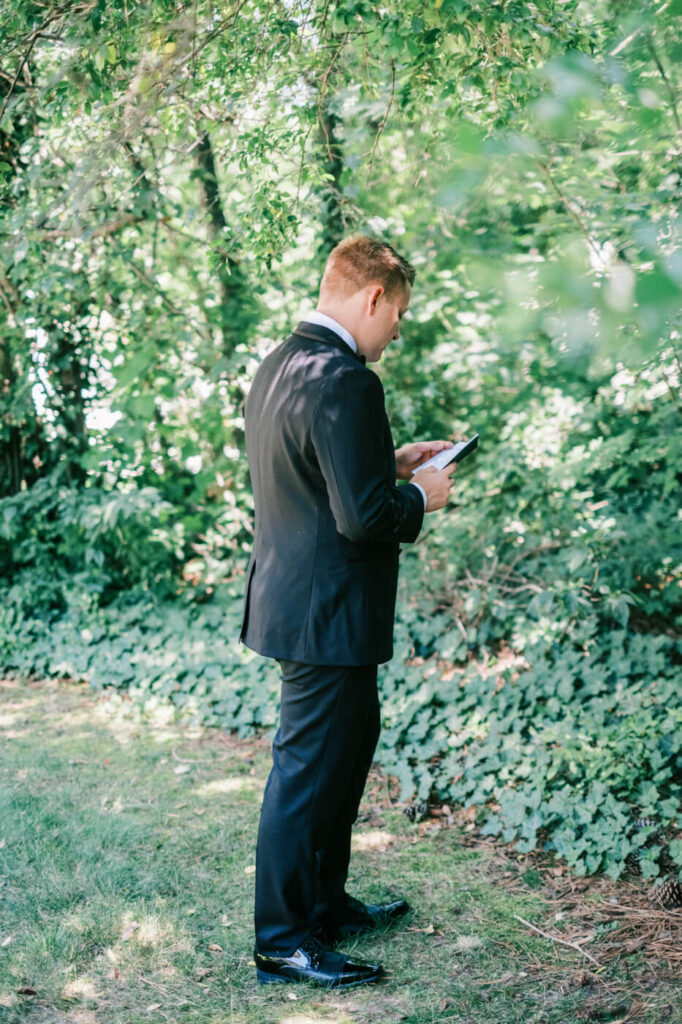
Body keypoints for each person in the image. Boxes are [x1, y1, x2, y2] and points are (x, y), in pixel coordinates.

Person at [239, 235, 457, 988]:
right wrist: (419, 495)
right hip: (326, 614)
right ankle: (283, 940)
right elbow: (364, 518)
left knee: (341, 759)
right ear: (371, 298)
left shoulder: (280, 366)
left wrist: (387, 462)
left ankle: (325, 903)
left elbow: (312, 471)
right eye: (397, 313)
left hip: (303, 606)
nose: (398, 330)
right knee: (306, 775)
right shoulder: (346, 380)